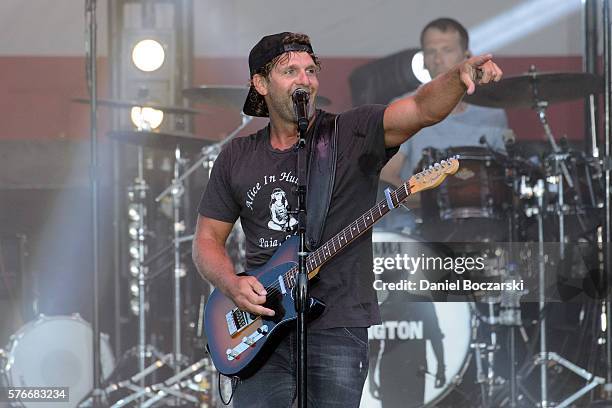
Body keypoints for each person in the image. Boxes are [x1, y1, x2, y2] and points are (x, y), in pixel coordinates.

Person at [192, 31, 502, 408]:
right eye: (290, 71)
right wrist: (232, 285)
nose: (304, 79)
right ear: (259, 83)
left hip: (337, 323)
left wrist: (456, 77)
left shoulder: (350, 132)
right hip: (261, 325)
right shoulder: (237, 156)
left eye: (310, 70)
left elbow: (421, 109)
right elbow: (207, 240)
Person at [380, 18, 510, 234]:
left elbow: (505, 181)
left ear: (467, 56)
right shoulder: (405, 108)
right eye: (430, 52)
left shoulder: (493, 113)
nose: (438, 59)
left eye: (447, 50)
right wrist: (429, 200)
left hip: (482, 229)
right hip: (419, 229)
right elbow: (385, 177)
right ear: (423, 61)